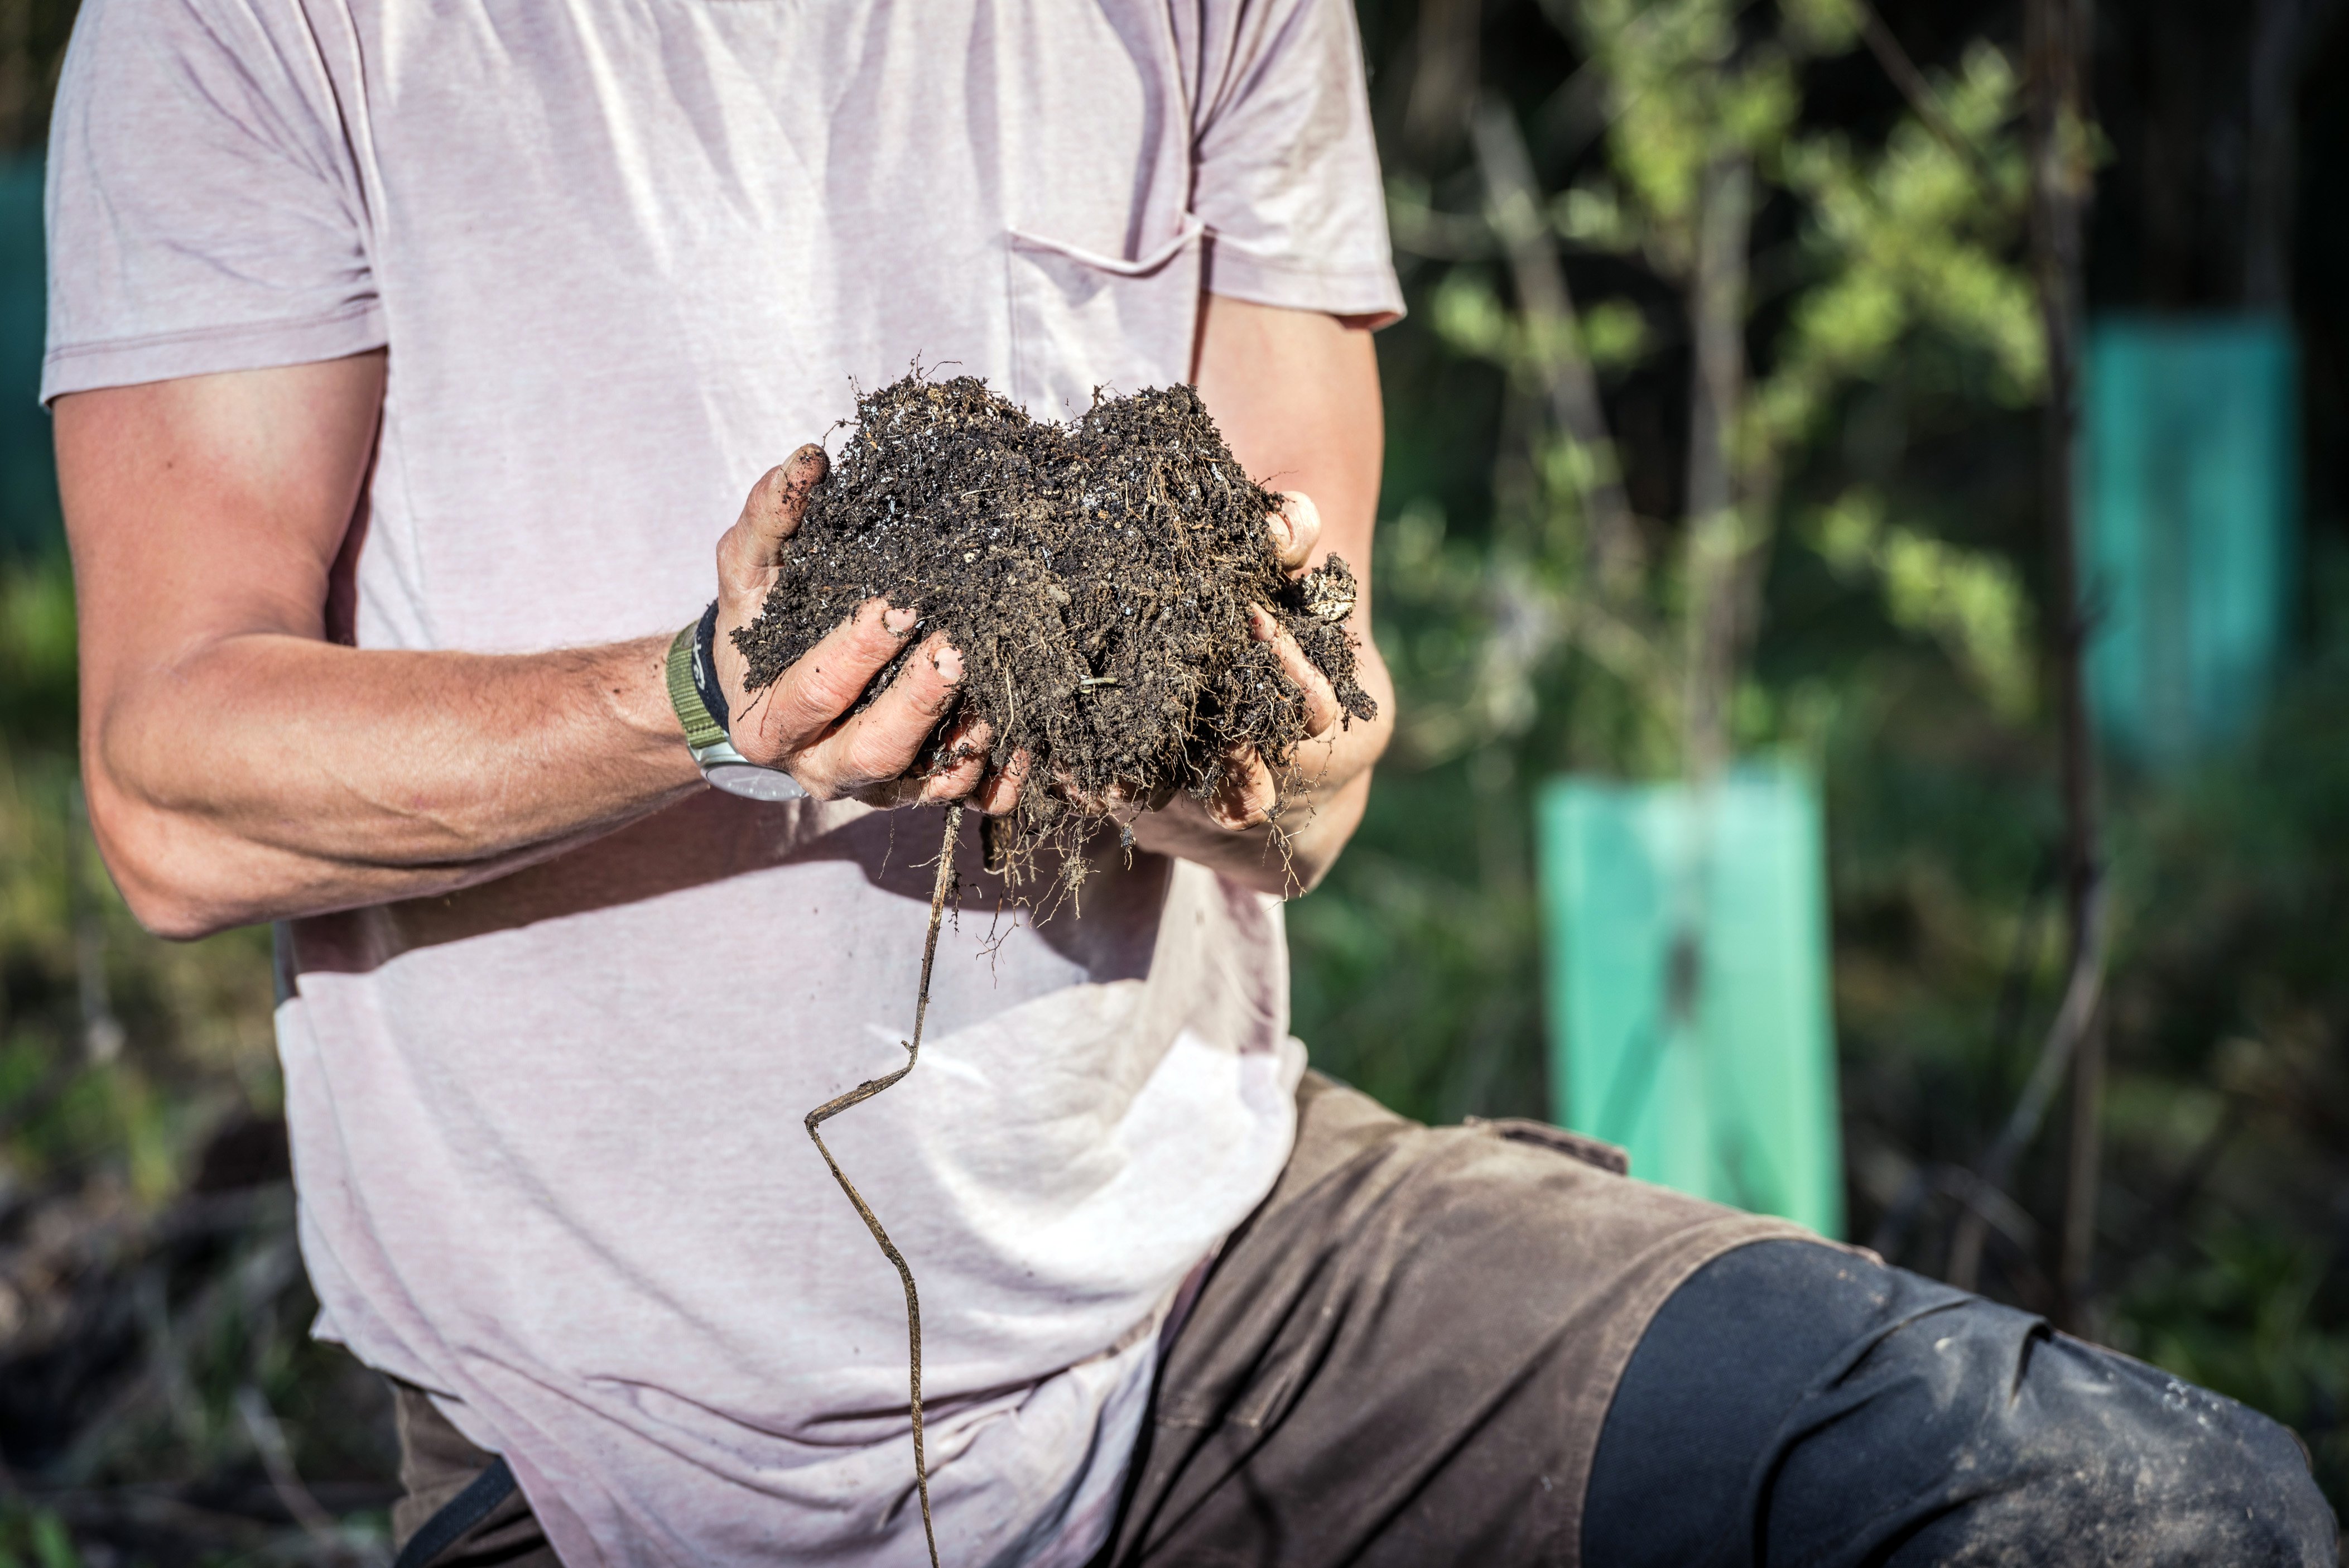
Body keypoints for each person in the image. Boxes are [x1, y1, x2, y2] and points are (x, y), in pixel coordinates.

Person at [45, 0, 2337, 1563]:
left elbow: (1318, 750)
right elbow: (172, 778)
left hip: (1224, 1283)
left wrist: (1246, 737)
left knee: (2139, 1511)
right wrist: (696, 695)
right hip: (621, 1444)